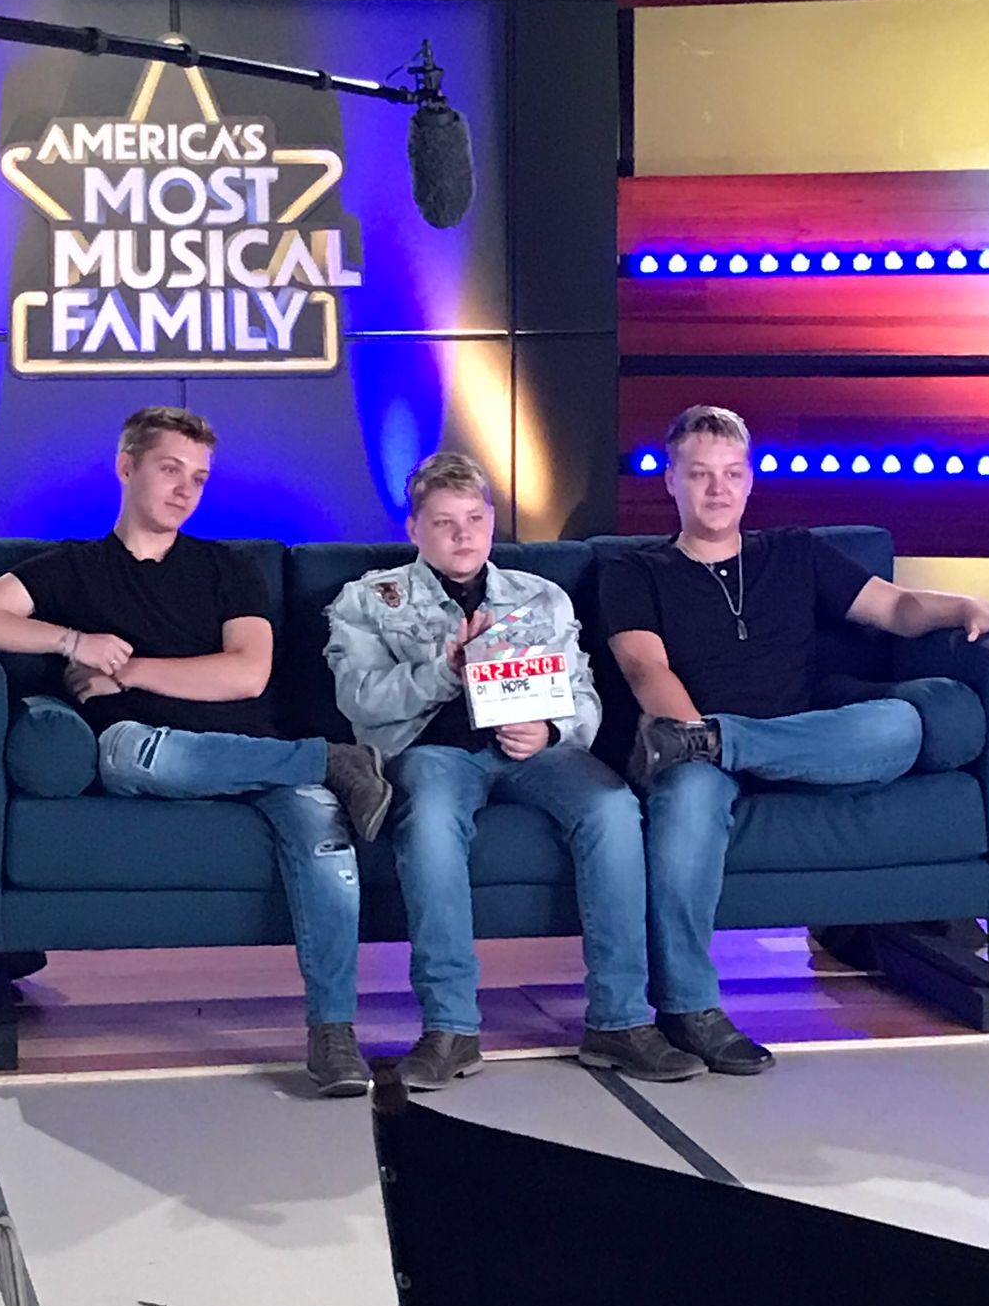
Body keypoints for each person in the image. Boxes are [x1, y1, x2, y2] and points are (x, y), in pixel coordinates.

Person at [0, 404, 392, 1099]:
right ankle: (327, 760)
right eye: (170, 469)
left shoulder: (229, 568)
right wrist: (72, 642)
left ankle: (333, 1032)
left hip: (256, 748)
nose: (185, 489)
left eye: (199, 477)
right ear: (127, 467)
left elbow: (247, 675)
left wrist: (128, 671)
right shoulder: (74, 568)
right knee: (129, 757)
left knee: (322, 839)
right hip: (143, 745)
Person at [601, 403, 989, 1071]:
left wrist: (963, 605)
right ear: (671, 481)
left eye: (732, 473)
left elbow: (894, 607)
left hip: (796, 742)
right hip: (691, 750)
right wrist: (692, 737)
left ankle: (722, 740)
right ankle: (688, 1008)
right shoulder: (634, 570)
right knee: (685, 802)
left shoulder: (794, 552)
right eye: (701, 474)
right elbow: (644, 668)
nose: (718, 489)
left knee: (899, 724)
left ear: (749, 481)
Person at [325, 450, 760, 1090]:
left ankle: (619, 1021)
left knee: (613, 807)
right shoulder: (370, 599)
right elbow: (359, 700)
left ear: (491, 521)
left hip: (536, 750)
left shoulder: (541, 597)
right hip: (431, 750)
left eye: (475, 519)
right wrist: (444, 671)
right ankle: (450, 1026)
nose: (463, 535)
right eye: (444, 523)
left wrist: (551, 729)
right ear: (414, 529)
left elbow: (584, 698)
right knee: (432, 819)